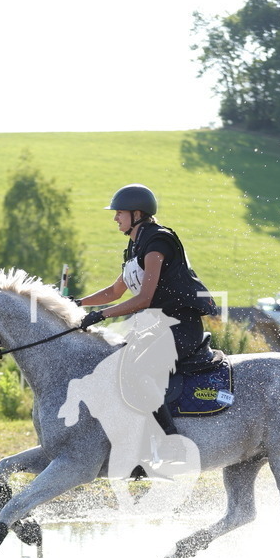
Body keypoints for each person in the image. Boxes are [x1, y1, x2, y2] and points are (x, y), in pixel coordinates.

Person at [78, 184, 217, 436]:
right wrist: (78, 303)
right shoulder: (134, 246)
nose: (115, 218)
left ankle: (168, 438)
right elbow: (114, 292)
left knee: (138, 372)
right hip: (156, 327)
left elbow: (143, 299)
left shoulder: (157, 242)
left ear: (138, 214)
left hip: (180, 328)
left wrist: (101, 315)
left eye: (120, 212)